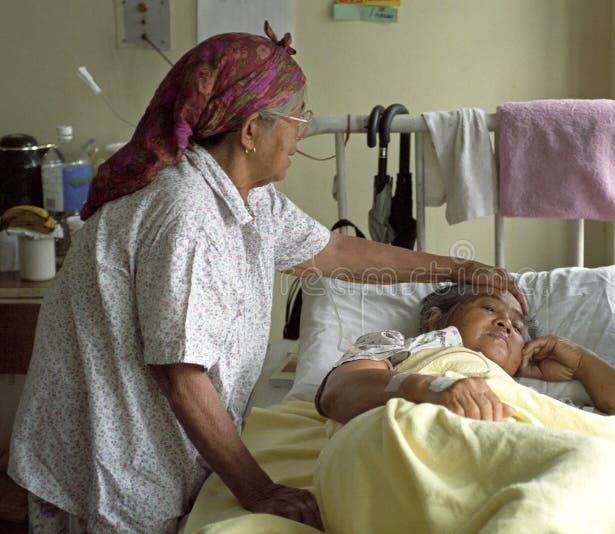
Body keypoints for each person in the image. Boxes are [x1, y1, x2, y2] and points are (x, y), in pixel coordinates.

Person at [8, 23, 524, 533]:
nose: (302, 130)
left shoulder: (249, 198)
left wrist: (462, 268)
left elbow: (335, 250)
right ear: (251, 131)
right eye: (296, 116)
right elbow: (183, 376)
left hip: (152, 441)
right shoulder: (187, 214)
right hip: (113, 452)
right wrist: (259, 489)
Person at [316, 284, 615, 449]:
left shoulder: (527, 399)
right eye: (489, 309)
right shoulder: (400, 349)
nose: (506, 324)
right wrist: (428, 389)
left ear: (521, 358)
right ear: (437, 321)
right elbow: (338, 393)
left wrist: (580, 362)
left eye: (517, 327)